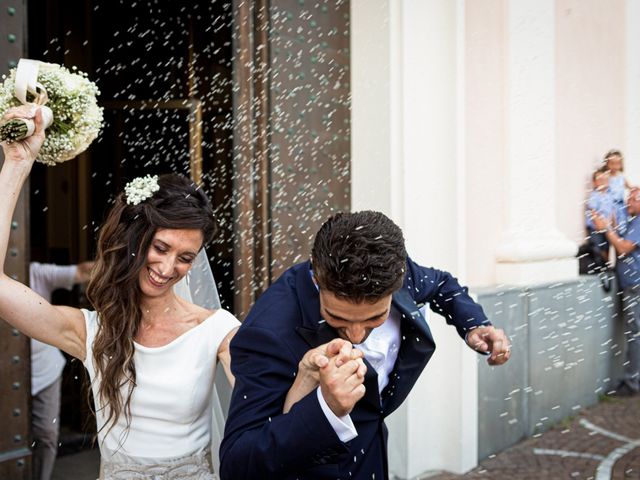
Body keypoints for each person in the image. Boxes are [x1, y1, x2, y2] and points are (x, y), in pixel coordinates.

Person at [0, 105, 245, 479]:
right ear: (137, 237)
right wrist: (17, 164)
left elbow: (262, 394)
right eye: (160, 248)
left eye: (185, 258)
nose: (167, 269)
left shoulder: (218, 330)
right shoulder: (91, 330)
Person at [220, 210, 511, 480]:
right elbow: (237, 464)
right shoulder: (268, 332)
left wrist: (474, 324)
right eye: (337, 317)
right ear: (317, 277)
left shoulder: (390, 271)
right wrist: (327, 409)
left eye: (375, 317)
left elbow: (441, 284)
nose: (357, 336)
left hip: (372, 456)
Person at [29, 260, 94, 480]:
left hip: (45, 369)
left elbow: (81, 271)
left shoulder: (36, 272)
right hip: (8, 376)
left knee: (46, 433)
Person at [592, 188, 640, 397]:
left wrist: (605, 229)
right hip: (632, 285)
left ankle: (632, 383)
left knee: (635, 335)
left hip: (635, 286)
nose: (627, 202)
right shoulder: (634, 221)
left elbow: (623, 248)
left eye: (633, 198)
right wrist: (610, 226)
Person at [585, 166, 614, 264]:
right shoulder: (594, 195)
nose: (602, 182)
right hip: (595, 228)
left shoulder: (609, 196)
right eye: (600, 180)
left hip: (606, 228)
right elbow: (593, 211)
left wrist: (613, 225)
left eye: (605, 179)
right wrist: (599, 224)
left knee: (606, 247)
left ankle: (606, 265)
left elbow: (611, 212)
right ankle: (600, 265)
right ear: (594, 182)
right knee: (597, 248)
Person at [603, 149, 633, 225]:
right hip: (611, 206)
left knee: (623, 223)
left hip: (621, 205)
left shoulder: (621, 177)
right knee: (613, 224)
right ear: (607, 164)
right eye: (612, 163)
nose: (614, 166)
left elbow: (631, 188)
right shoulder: (606, 178)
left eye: (617, 163)